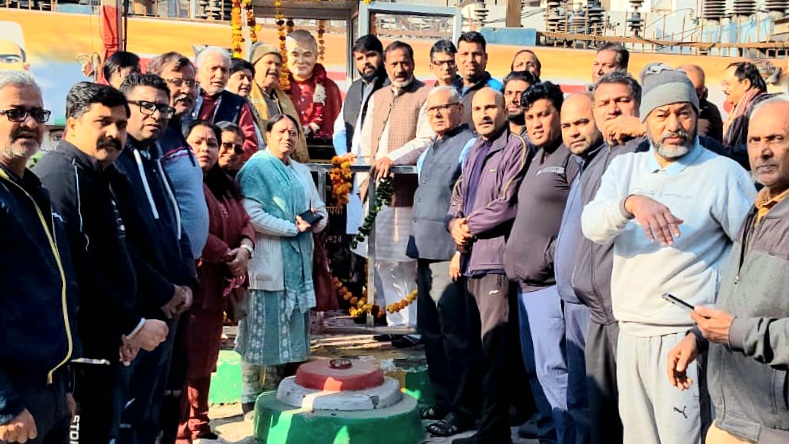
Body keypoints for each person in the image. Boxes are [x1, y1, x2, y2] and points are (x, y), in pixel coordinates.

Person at [581, 64, 756, 444]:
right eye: (662, 115)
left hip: (685, 337)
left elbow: (750, 258)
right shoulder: (625, 168)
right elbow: (591, 225)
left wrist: (708, 327)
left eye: (684, 113)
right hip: (630, 332)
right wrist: (630, 204)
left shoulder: (724, 174)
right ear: (645, 120)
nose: (674, 125)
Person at [34, 81, 169, 444]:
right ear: (72, 124)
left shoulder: (101, 175)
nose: (114, 133)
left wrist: (124, 328)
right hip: (81, 354)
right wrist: (131, 325)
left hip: (109, 342)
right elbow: (75, 268)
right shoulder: (62, 176)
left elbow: (117, 254)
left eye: (121, 124)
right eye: (103, 122)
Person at [667, 94, 789, 444]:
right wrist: (700, 336)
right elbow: (742, 296)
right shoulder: (760, 207)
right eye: (755, 140)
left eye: (776, 139)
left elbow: (743, 325)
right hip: (732, 417)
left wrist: (735, 332)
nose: (763, 151)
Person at [115, 73, 197, 444]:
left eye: (163, 108)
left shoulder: (154, 157)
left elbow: (176, 227)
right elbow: (121, 245)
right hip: (140, 306)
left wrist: (187, 283)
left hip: (171, 303)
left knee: (155, 406)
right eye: (146, 106)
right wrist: (164, 290)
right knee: (129, 412)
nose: (156, 115)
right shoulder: (117, 164)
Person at [447, 87, 532, 444]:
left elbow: (507, 204)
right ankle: (489, 426)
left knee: (496, 352)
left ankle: (495, 433)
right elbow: (457, 196)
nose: (483, 114)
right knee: (480, 351)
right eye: (477, 108)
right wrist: (454, 224)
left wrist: (467, 225)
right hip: (470, 262)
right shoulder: (474, 150)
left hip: (496, 262)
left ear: (504, 110)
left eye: (490, 107)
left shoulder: (516, 147)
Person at [0, 70, 78, 444]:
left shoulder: (32, 190)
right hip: (14, 401)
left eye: (37, 113)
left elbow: (57, 288)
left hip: (49, 392)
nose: (30, 123)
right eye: (15, 113)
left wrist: (64, 385)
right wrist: (4, 405)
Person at [504, 82, 582, 444]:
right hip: (525, 286)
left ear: (559, 115)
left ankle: (566, 438)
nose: (535, 123)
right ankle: (551, 435)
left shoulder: (571, 157)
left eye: (544, 114)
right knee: (536, 369)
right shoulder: (536, 157)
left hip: (550, 285)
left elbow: (579, 220)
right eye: (530, 116)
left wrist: (550, 258)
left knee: (556, 369)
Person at [236, 114, 328, 415]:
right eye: (281, 131)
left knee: (286, 336)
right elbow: (251, 215)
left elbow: (319, 207)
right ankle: (250, 397)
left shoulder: (300, 169)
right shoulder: (256, 168)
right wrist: (292, 228)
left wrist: (315, 222)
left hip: (297, 266)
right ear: (267, 134)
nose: (287, 136)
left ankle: (274, 396)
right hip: (269, 265)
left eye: (293, 132)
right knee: (259, 334)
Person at [575, 70, 645, 444]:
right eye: (604, 103)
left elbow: (715, 150)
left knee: (633, 419)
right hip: (597, 311)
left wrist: (648, 128)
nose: (613, 109)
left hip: (629, 312)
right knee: (601, 414)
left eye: (622, 101)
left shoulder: (650, 150)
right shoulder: (598, 155)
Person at [177, 120, 254, 444]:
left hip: (215, 290)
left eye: (212, 143)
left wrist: (246, 249)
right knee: (186, 363)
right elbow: (191, 229)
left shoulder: (224, 185)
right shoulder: (180, 184)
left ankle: (200, 425)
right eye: (198, 142)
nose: (206, 149)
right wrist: (227, 254)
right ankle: (182, 432)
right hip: (190, 288)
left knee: (205, 361)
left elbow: (245, 220)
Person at [407, 86, 478, 437]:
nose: (436, 113)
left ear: (459, 109)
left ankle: (463, 411)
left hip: (448, 254)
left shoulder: (468, 145)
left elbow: (469, 201)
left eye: (443, 107)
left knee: (455, 337)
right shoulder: (430, 147)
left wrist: (459, 252)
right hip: (424, 251)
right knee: (432, 334)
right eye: (430, 109)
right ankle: (444, 400)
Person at [357, 40, 433, 329]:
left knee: (406, 262)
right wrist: (363, 183)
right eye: (394, 64)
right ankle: (395, 324)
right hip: (376, 192)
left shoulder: (425, 95)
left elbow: (425, 139)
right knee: (383, 261)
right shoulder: (377, 96)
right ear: (386, 67)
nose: (400, 69)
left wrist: (393, 158)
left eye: (405, 62)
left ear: (413, 63)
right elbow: (364, 143)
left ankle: (411, 326)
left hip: (406, 193)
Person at [148, 51, 209, 260]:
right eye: (177, 82)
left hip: (187, 261)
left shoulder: (177, 131)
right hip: (167, 261)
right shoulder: (152, 137)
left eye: (191, 83)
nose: (187, 90)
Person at [191, 46, 259, 163]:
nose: (219, 75)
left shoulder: (237, 104)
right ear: (197, 72)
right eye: (213, 69)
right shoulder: (186, 98)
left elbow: (250, 142)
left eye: (224, 70)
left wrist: (224, 155)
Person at [247, 42, 309, 162]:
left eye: (278, 64)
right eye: (269, 63)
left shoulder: (283, 100)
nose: (274, 68)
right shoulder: (247, 96)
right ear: (254, 67)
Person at [332, 34, 388, 156]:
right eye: (360, 58)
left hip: (380, 162)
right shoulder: (354, 89)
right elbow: (340, 128)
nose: (365, 62)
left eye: (371, 55)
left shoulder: (391, 87)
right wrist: (343, 154)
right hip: (353, 162)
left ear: (382, 56)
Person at [285, 30, 342, 140]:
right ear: (286, 56)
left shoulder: (330, 88)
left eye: (307, 55)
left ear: (315, 57)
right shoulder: (278, 87)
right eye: (295, 55)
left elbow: (338, 128)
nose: (300, 61)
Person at [722, 61, 767, 158]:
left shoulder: (760, 107)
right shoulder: (739, 107)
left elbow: (759, 144)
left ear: (746, 83)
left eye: (728, 84)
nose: (724, 89)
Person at [457, 32, 503, 125]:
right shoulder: (452, 87)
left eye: (476, 54)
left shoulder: (496, 89)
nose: (470, 60)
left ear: (486, 58)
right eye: (465, 54)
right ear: (456, 58)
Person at [678, 64, 723, 143]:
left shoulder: (711, 112)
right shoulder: (661, 107)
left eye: (697, 93)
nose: (693, 98)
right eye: (688, 91)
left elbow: (717, 145)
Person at [501, 70, 539, 137]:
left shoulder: (540, 135)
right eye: (509, 93)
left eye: (520, 94)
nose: (512, 99)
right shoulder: (492, 132)